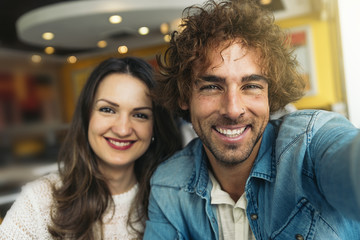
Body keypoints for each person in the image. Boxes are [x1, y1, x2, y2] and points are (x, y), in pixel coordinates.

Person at [144, 0, 360, 239]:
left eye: (251, 86)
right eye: (212, 86)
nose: (233, 109)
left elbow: (346, 158)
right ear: (185, 96)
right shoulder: (168, 183)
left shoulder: (310, 146)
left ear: (271, 94)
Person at [0, 57, 182, 239]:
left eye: (140, 115)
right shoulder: (41, 201)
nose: (123, 129)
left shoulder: (174, 201)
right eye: (108, 110)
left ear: (155, 127)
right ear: (87, 117)